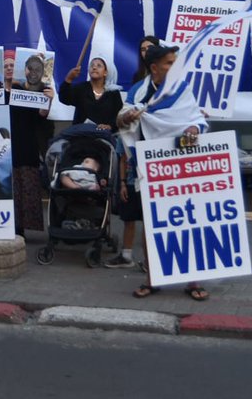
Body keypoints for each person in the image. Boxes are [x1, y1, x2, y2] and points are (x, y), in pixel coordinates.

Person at [116, 43, 210, 298]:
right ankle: (153, 278)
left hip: (181, 164)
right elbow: (122, 119)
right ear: (155, 67)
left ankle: (194, 281)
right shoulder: (138, 91)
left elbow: (198, 120)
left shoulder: (182, 89)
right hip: (151, 165)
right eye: (170, 63)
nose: (175, 67)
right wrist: (127, 118)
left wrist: (194, 130)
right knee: (153, 224)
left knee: (187, 221)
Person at [4, 50, 52, 233]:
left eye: (12, 65)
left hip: (26, 145)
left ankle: (22, 228)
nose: (9, 68)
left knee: (26, 187)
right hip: (4, 147)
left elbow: (42, 114)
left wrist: (48, 100)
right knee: (8, 188)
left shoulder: (27, 90)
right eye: (6, 65)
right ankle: (8, 226)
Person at [59, 55, 124, 130]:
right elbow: (64, 98)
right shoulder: (81, 88)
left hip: (104, 136)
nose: (94, 67)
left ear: (105, 72)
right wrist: (69, 79)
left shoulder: (113, 92)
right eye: (92, 65)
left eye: (99, 66)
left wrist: (110, 126)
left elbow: (119, 116)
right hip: (80, 135)